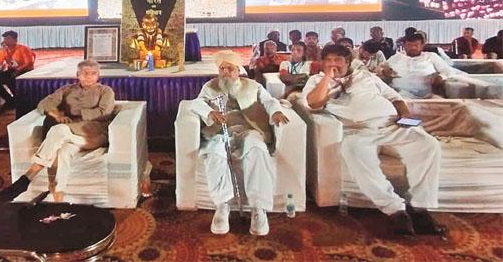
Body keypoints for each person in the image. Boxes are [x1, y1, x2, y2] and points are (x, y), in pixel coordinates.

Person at [302, 45, 445, 236]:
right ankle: (395, 211)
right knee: (352, 150)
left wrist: (405, 118)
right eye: (328, 60)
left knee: (428, 144)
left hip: (391, 124)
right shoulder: (317, 80)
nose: (332, 64)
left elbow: (396, 99)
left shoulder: (366, 76)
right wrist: (328, 78)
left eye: (337, 60)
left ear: (348, 62)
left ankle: (420, 208)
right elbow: (313, 103)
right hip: (358, 130)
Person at [190, 50, 291, 236]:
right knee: (214, 153)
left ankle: (258, 209)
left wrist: (275, 112)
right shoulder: (210, 86)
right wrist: (209, 113)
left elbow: (269, 101)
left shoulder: (253, 86)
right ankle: (222, 206)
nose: (225, 72)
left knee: (257, 150)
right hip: (221, 131)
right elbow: (196, 103)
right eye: (222, 68)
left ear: (238, 70)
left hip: (249, 129)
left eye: (230, 68)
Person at [0, 60, 115, 203]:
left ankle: (28, 177)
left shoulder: (105, 91)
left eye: (93, 74)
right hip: (71, 136)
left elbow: (104, 112)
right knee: (62, 152)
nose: (89, 77)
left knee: (58, 129)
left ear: (98, 76)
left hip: (93, 133)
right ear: (78, 75)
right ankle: (58, 199)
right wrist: (57, 115)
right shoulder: (67, 90)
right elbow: (45, 103)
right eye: (85, 73)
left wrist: (74, 111)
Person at [380, 33, 460, 99]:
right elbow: (381, 68)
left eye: (416, 45)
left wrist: (441, 77)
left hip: (426, 96)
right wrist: (383, 72)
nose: (413, 48)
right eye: (409, 45)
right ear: (404, 45)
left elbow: (449, 71)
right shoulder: (396, 57)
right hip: (398, 95)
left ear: (422, 45)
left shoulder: (431, 56)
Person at [0, 31, 35, 111]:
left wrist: (18, 70)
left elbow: (28, 63)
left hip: (24, 71)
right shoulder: (4, 50)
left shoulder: (23, 48)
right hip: (12, 71)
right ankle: (10, 100)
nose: (6, 40)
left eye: (8, 38)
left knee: (11, 79)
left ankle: (18, 101)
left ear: (15, 40)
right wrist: (3, 51)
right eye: (5, 38)